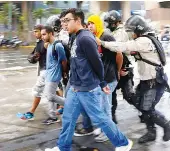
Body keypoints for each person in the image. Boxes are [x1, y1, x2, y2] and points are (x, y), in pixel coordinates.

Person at [45, 8, 133, 151]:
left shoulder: (85, 38)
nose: (64, 25)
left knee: (100, 118)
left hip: (87, 88)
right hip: (75, 86)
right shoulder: (74, 36)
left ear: (78, 20)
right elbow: (76, 61)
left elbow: (97, 62)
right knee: (68, 118)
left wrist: (103, 82)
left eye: (67, 21)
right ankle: (63, 147)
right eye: (62, 22)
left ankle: (123, 143)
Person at [96, 15, 170, 144]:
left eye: (132, 31)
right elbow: (129, 51)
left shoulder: (144, 41)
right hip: (147, 81)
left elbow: (123, 47)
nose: (131, 34)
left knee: (147, 108)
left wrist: (103, 43)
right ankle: (151, 132)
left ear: (138, 30)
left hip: (154, 82)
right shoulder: (144, 40)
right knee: (138, 103)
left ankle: (167, 125)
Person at [73, 14, 123, 143]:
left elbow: (119, 53)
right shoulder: (92, 38)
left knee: (105, 107)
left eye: (92, 23)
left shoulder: (105, 36)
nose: (90, 26)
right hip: (101, 79)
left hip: (109, 78)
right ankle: (103, 129)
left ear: (98, 24)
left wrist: (117, 71)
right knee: (100, 106)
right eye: (88, 24)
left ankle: (109, 133)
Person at [104, 10, 135, 124]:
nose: (108, 25)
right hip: (115, 67)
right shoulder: (111, 32)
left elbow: (118, 50)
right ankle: (112, 119)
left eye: (110, 22)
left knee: (128, 96)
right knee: (111, 94)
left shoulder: (121, 33)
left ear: (116, 22)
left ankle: (144, 110)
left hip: (124, 67)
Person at [17, 24, 48, 120]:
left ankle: (31, 112)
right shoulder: (39, 43)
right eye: (34, 31)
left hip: (46, 70)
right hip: (44, 70)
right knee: (55, 90)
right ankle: (62, 107)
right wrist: (32, 56)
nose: (34, 33)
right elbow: (33, 54)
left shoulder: (45, 42)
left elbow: (44, 51)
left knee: (37, 91)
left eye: (36, 31)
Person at [41, 26, 67, 125]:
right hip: (49, 74)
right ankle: (52, 117)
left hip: (54, 75)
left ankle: (69, 104)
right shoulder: (49, 45)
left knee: (50, 96)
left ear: (51, 33)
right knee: (49, 95)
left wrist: (64, 72)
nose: (42, 37)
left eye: (44, 34)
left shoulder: (57, 45)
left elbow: (64, 60)